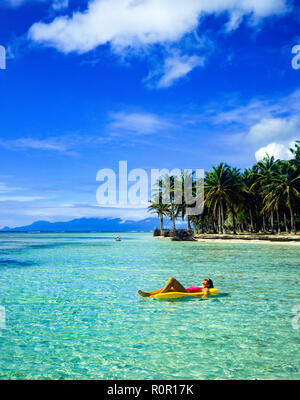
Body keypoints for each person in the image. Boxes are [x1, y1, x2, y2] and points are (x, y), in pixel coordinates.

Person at [138, 277, 214, 299]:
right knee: (165, 288)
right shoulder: (199, 286)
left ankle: (159, 295)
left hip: (185, 292)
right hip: (184, 290)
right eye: (204, 279)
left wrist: (204, 296)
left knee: (172, 280)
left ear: (208, 285)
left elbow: (205, 291)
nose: (204, 280)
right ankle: (147, 294)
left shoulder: (204, 288)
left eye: (206, 280)